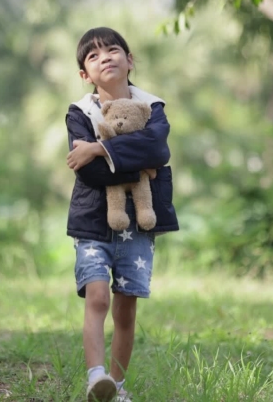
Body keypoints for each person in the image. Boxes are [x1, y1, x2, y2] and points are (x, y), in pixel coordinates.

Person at [65, 27, 179, 402]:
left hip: (140, 226)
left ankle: (117, 385)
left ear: (130, 60)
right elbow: (88, 172)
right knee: (97, 297)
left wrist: (99, 148)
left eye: (113, 50)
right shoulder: (80, 113)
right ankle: (96, 376)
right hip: (94, 221)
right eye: (93, 57)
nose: (106, 58)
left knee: (125, 309)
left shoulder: (152, 107)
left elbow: (157, 147)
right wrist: (140, 169)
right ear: (85, 74)